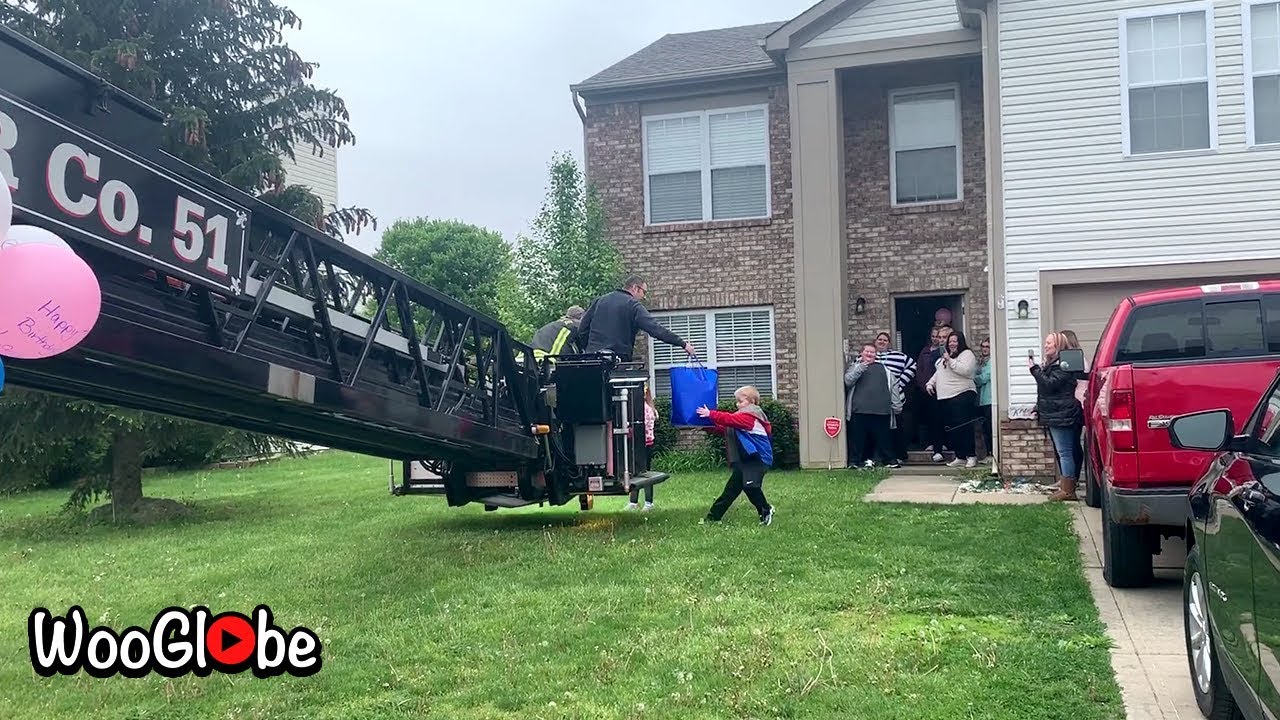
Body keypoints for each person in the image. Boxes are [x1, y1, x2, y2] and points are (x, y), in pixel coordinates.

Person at [696, 386, 775, 526]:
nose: (737, 405)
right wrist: (706, 427)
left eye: (740, 401)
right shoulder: (742, 418)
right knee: (731, 490)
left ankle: (766, 510)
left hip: (758, 459)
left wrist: (710, 414)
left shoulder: (751, 416)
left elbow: (728, 419)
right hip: (746, 459)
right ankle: (713, 518)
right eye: (737, 401)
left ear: (752, 402)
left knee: (751, 486)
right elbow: (727, 429)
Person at [575, 275, 696, 362]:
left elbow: (583, 329)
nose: (643, 297)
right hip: (618, 361)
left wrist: (590, 349)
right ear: (635, 288)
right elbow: (655, 329)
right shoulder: (632, 305)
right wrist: (683, 344)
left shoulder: (600, 301)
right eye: (644, 292)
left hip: (593, 360)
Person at [1029, 331, 1084, 502]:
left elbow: (1049, 384)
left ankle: (1068, 490)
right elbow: (1048, 392)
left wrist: (1034, 370)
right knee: (1063, 451)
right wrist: (1038, 407)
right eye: (1046, 342)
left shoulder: (1063, 365)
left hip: (1063, 414)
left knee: (1065, 452)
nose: (1045, 345)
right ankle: (1066, 486)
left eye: (1049, 343)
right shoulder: (1053, 364)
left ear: (1058, 345)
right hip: (1056, 412)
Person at [926, 329, 979, 468]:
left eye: (955, 341)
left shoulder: (967, 354)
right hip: (946, 396)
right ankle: (960, 456)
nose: (952, 344)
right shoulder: (946, 356)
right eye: (950, 341)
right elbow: (940, 372)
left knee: (964, 427)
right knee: (953, 429)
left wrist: (950, 360)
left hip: (962, 393)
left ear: (960, 342)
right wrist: (930, 383)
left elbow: (966, 370)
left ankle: (971, 456)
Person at [844, 343, 898, 469]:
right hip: (859, 410)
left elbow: (893, 386)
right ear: (861, 353)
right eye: (867, 351)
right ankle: (854, 462)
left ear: (876, 355)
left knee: (884, 439)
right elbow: (848, 381)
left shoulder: (885, 369)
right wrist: (861, 367)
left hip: (882, 411)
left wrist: (897, 406)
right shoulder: (855, 367)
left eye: (872, 352)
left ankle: (889, 461)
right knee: (857, 439)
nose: (869, 354)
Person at [873, 331, 916, 464]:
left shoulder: (899, 356)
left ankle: (900, 455)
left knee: (897, 428)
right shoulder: (869, 354)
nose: (882, 342)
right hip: (875, 400)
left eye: (885, 340)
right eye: (880, 339)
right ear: (875, 341)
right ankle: (880, 457)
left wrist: (900, 383)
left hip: (895, 397)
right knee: (879, 429)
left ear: (889, 343)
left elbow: (913, 366)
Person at [625, 386, 658, 511]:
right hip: (644, 443)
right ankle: (634, 502)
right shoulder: (648, 407)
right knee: (637, 472)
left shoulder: (643, 409)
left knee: (643, 473)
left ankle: (648, 503)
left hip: (643, 444)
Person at [975, 336, 994, 459]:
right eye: (983, 346)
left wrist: (972, 379)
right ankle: (987, 453)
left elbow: (984, 378)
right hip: (981, 400)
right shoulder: (981, 362)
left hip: (989, 399)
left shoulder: (992, 362)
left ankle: (992, 453)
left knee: (989, 428)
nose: (985, 349)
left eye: (987, 347)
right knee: (984, 429)